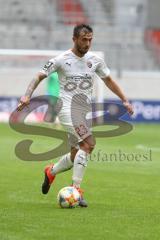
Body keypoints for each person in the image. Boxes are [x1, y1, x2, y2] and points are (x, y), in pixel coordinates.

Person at [17, 24, 134, 207]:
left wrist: (124, 99)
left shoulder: (95, 60)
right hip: (65, 108)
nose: (87, 43)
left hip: (82, 111)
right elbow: (38, 76)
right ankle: (76, 189)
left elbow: (109, 80)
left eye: (90, 39)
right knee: (88, 144)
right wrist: (27, 94)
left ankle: (51, 171)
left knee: (76, 154)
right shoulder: (61, 59)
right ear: (74, 39)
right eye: (84, 39)